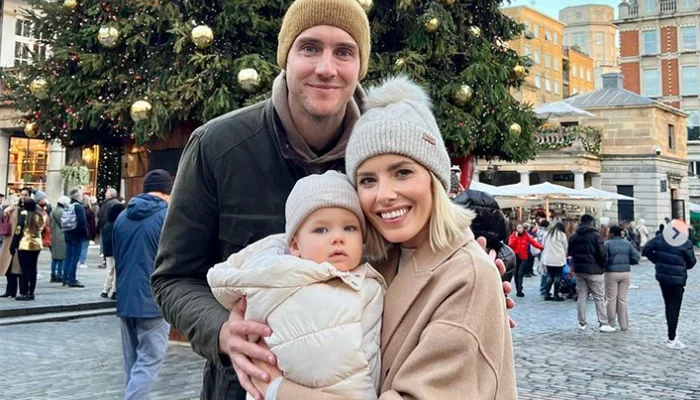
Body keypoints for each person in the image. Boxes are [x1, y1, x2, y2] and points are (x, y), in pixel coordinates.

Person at [152, 2, 512, 399]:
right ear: (285, 57)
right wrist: (222, 331)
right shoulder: (219, 147)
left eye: (344, 51)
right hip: (244, 388)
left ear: (361, 65)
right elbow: (173, 278)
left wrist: (476, 288)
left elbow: (417, 255)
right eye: (309, 48)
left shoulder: (384, 151)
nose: (326, 68)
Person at [234, 76, 517, 399]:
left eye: (402, 172)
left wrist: (278, 390)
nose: (384, 195)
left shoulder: (467, 275)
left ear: (434, 179)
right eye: (368, 180)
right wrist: (243, 312)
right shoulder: (374, 261)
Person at [207, 171, 384, 399]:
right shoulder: (271, 279)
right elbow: (246, 330)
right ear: (295, 246)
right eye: (321, 229)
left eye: (349, 228)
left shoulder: (370, 285)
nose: (338, 237)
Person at [113, 169, 172, 399]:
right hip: (153, 299)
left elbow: (115, 257)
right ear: (166, 192)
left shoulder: (123, 216)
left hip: (126, 298)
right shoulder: (167, 216)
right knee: (149, 360)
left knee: (133, 362)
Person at [643, 225, 696, 349]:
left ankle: (672, 333)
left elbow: (646, 250)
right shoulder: (685, 242)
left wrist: (658, 260)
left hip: (663, 278)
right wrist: (682, 265)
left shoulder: (660, 238)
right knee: (674, 307)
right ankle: (672, 338)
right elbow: (691, 262)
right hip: (677, 279)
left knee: (669, 305)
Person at [568, 214, 615, 332]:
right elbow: (602, 253)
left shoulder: (573, 236)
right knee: (599, 297)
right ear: (592, 223)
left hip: (579, 270)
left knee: (582, 296)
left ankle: (581, 322)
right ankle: (603, 322)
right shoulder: (595, 236)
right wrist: (602, 266)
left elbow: (570, 252)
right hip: (594, 270)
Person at [603, 225, 640, 331]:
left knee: (611, 298)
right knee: (622, 299)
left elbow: (604, 259)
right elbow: (636, 257)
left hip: (611, 273)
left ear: (612, 233)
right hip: (625, 273)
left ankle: (610, 323)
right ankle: (624, 325)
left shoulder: (608, 244)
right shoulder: (627, 244)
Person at [15, 199, 45, 301]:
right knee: (33, 269)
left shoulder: (24, 214)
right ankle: (31, 292)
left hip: (24, 244)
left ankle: (24, 292)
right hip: (36, 245)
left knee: (24, 270)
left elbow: (18, 230)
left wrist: (13, 244)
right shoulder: (39, 215)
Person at [508, 223, 543, 297]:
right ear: (516, 229)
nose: (520, 229)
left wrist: (541, 247)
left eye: (521, 228)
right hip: (515, 257)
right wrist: (516, 237)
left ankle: (520, 290)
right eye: (518, 228)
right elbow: (511, 245)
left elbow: (533, 242)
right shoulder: (513, 236)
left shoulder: (526, 235)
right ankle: (518, 288)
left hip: (523, 257)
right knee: (516, 274)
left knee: (520, 273)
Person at [62, 189, 88, 288]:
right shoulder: (79, 207)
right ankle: (71, 279)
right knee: (75, 257)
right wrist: (85, 234)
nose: (82, 197)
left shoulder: (68, 206)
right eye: (81, 196)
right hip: (77, 235)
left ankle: (65, 277)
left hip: (68, 233)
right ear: (77, 197)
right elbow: (82, 222)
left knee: (68, 256)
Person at [101, 202, 125, 300]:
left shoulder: (107, 224)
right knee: (116, 271)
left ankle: (105, 290)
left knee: (110, 270)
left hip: (108, 251)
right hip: (116, 250)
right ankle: (114, 291)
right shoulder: (118, 224)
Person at [541, 222, 568, 301]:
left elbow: (543, 244)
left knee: (549, 276)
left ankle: (546, 293)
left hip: (548, 258)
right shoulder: (562, 235)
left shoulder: (547, 234)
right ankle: (556, 294)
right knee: (557, 276)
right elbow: (565, 247)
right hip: (558, 259)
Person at [0, 195, 20, 298]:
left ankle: (12, 290)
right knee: (9, 268)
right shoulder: (8, 210)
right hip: (8, 240)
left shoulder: (17, 210)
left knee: (12, 268)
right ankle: (10, 290)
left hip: (13, 241)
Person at [97, 188, 120, 269]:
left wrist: (103, 225)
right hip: (108, 226)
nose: (105, 194)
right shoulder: (113, 203)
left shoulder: (110, 204)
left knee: (107, 245)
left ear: (111, 194)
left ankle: (107, 262)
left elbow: (103, 215)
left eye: (107, 193)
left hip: (107, 227)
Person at [50, 196, 69, 283]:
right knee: (61, 257)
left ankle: (53, 274)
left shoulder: (53, 211)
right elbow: (64, 224)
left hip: (53, 236)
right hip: (61, 236)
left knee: (54, 257)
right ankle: (59, 274)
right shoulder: (61, 211)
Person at [78, 196, 97, 269]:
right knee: (84, 247)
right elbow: (92, 224)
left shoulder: (78, 210)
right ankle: (82, 262)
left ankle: (78, 260)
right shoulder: (89, 211)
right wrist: (93, 234)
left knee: (79, 246)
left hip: (79, 230)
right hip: (87, 231)